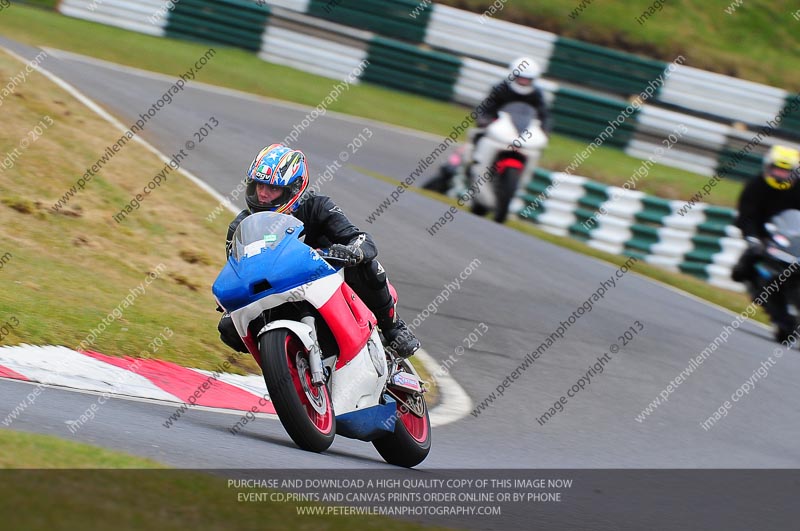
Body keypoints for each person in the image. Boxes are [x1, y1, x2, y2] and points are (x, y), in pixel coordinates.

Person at [217, 144, 421, 358]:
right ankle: (281, 364)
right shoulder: (241, 226)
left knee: (367, 266)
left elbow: (362, 240)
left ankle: (393, 328)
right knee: (230, 326)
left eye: (272, 188)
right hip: (275, 291)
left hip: (325, 280)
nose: (263, 195)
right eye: (259, 186)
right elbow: (238, 271)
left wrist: (352, 251)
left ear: (294, 189)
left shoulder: (317, 206)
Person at [732, 144, 800, 342]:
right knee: (742, 271)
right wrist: (753, 238)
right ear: (768, 166)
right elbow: (747, 216)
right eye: (777, 169)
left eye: (785, 171)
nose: (780, 174)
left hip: (794, 241)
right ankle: (779, 318)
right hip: (764, 239)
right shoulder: (755, 186)